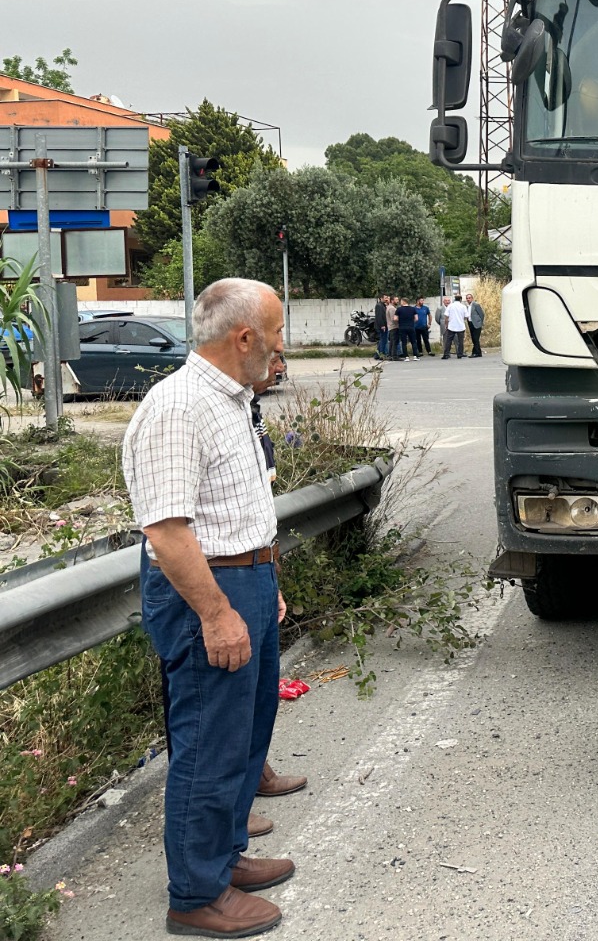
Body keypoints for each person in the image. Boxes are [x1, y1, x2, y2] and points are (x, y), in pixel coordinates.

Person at [123, 278, 294, 937]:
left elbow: (238, 506)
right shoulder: (181, 406)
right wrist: (218, 612)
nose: (280, 350)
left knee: (245, 735)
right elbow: (166, 531)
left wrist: (265, 578)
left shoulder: (231, 400)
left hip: (242, 580)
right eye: (275, 335)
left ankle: (224, 858)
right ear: (244, 337)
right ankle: (195, 894)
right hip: (207, 592)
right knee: (209, 743)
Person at [248, 353, 310, 811]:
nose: (280, 364)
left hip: (255, 565)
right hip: (226, 574)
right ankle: (225, 816)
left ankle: (250, 777)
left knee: (255, 693)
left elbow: (256, 503)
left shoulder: (248, 409)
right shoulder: (200, 408)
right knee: (219, 708)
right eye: (274, 350)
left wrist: (271, 574)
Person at [441, 293, 468, 359]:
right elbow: (466, 317)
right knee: (460, 341)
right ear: (460, 299)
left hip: (451, 326)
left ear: (454, 299)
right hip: (460, 326)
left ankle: (446, 354)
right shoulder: (463, 306)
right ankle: (460, 354)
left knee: (448, 341)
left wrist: (446, 325)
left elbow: (446, 316)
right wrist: (461, 319)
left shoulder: (450, 306)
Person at [466, 292, 485, 358]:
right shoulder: (467, 306)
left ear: (472, 298)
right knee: (473, 339)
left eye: (469, 298)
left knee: (475, 338)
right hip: (470, 323)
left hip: (476, 323)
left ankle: (475, 352)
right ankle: (478, 352)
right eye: (467, 298)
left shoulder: (476, 305)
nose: (468, 299)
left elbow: (481, 314)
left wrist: (480, 322)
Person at [373, 293, 388, 359]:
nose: (386, 299)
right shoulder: (379, 306)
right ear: (381, 298)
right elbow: (379, 317)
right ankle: (381, 354)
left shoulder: (383, 305)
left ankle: (377, 355)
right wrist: (382, 325)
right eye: (385, 298)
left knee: (382, 340)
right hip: (381, 326)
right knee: (382, 340)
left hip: (384, 325)